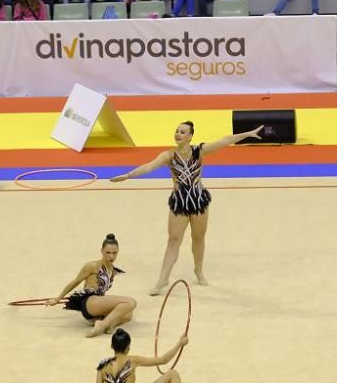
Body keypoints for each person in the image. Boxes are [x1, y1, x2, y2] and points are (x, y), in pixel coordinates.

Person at [109, 122, 263, 294]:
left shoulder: (200, 150)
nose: (178, 134)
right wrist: (129, 175)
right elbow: (149, 166)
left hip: (198, 201)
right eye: (176, 131)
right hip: (180, 202)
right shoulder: (168, 155)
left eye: (182, 132)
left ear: (190, 136)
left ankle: (198, 270)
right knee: (173, 240)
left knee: (198, 238)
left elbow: (225, 141)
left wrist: (248, 133)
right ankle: (162, 280)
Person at [46, 233, 136, 337]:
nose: (111, 256)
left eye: (114, 253)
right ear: (101, 251)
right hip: (89, 302)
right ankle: (102, 325)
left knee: (128, 313)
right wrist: (57, 299)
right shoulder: (92, 266)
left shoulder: (112, 270)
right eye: (108, 252)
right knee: (130, 302)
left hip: (97, 306)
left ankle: (110, 324)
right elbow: (75, 282)